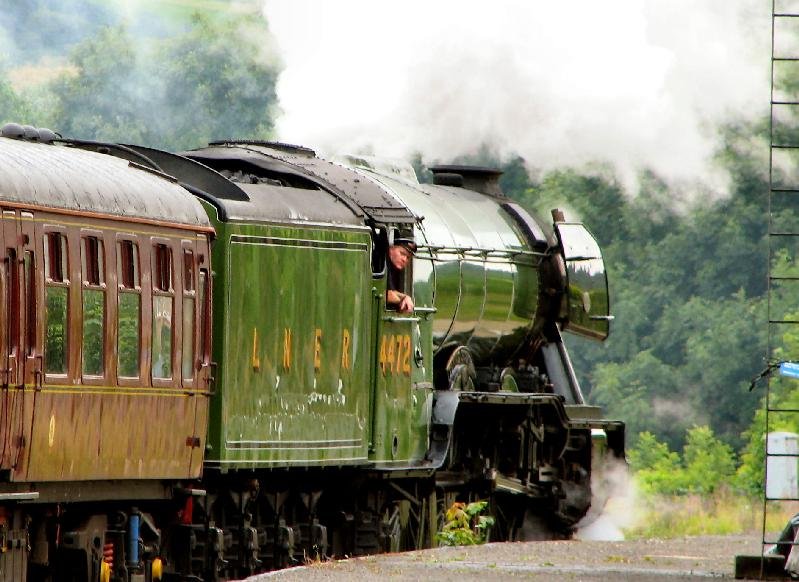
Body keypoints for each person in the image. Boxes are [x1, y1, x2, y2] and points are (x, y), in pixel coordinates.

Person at [386, 234, 416, 313]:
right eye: (402, 254)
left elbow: (392, 291)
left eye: (408, 257)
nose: (404, 259)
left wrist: (406, 297)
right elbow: (388, 295)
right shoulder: (382, 263)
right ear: (391, 249)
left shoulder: (393, 268)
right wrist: (403, 302)